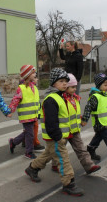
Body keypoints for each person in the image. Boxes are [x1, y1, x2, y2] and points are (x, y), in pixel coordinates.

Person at [25, 68, 84, 196]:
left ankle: (32, 168)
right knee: (63, 159)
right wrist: (58, 137)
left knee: (49, 154)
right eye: (61, 81)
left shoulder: (61, 96)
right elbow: (51, 122)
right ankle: (69, 184)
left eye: (66, 81)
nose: (65, 84)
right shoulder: (51, 99)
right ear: (53, 83)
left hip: (59, 136)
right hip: (55, 137)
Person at [54, 73, 100, 174]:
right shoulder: (61, 99)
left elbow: (74, 113)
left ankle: (89, 166)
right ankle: (54, 164)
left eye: (76, 87)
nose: (75, 89)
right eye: (73, 87)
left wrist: (80, 119)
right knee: (59, 151)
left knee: (81, 149)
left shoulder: (75, 98)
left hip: (74, 130)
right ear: (66, 87)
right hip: (64, 131)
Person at [8, 65, 41, 159]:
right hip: (26, 116)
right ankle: (29, 152)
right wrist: (11, 110)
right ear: (27, 75)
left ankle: (13, 142)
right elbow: (15, 100)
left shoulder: (34, 88)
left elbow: (36, 103)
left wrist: (39, 114)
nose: (35, 74)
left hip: (33, 115)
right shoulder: (22, 88)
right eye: (33, 72)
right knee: (30, 134)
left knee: (28, 133)